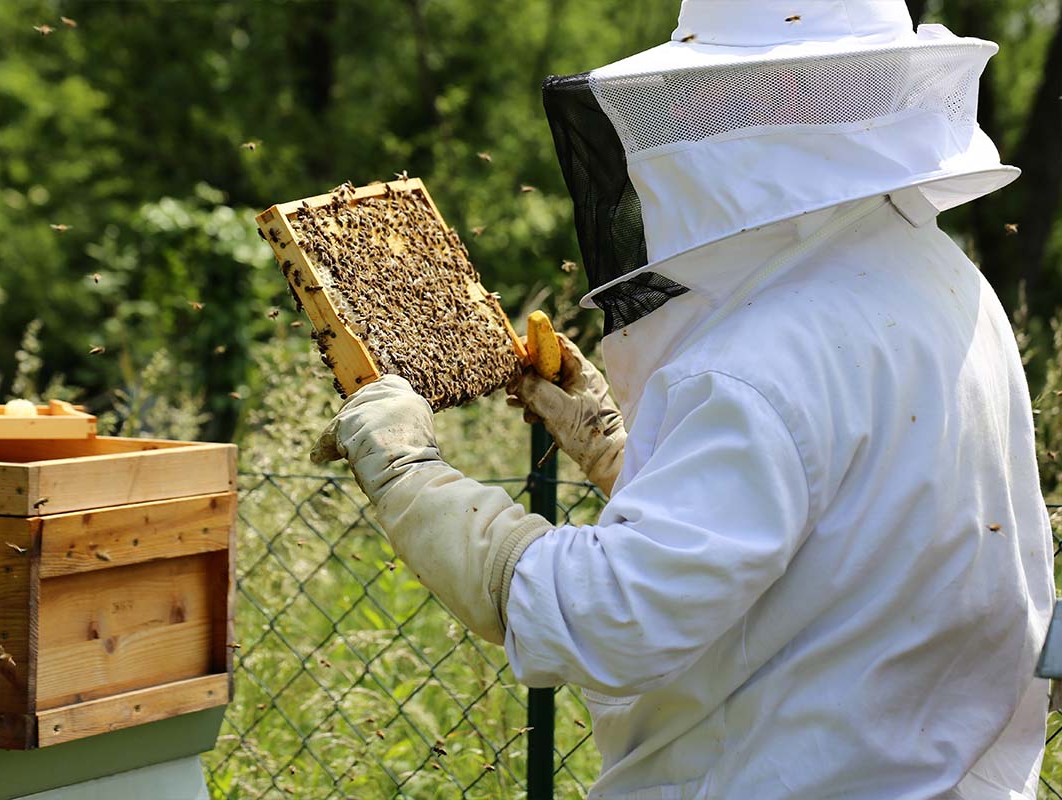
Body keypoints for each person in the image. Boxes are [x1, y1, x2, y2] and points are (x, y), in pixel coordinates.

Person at [311, 1, 1054, 796]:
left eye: (713, 91)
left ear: (788, 100)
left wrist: (409, 473)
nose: (692, 116)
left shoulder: (758, 359)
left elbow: (608, 618)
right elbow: (828, 524)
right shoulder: (941, 278)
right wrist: (613, 450)